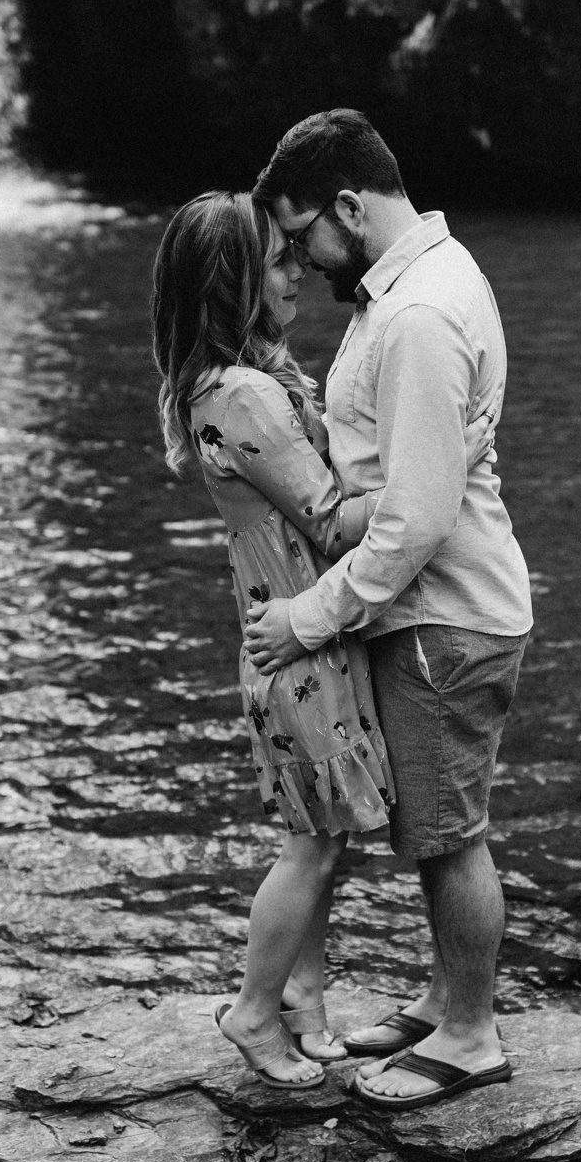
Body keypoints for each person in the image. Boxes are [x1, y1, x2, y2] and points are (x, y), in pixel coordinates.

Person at [243, 109, 534, 1112]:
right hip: (445, 607)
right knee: (434, 820)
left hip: (439, 613)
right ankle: (445, 995)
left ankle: (468, 1036)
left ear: (349, 207)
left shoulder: (413, 316)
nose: (294, 257)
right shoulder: (424, 283)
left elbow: (412, 521)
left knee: (450, 834)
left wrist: (308, 617)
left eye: (299, 233)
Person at [150, 189, 394, 1090]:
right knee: (316, 843)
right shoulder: (245, 395)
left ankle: (305, 996)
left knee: (320, 828)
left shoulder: (243, 380)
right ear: (234, 284)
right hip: (298, 642)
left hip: (295, 633)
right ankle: (253, 1012)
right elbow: (332, 521)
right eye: (280, 261)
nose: (300, 269)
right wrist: (438, 471)